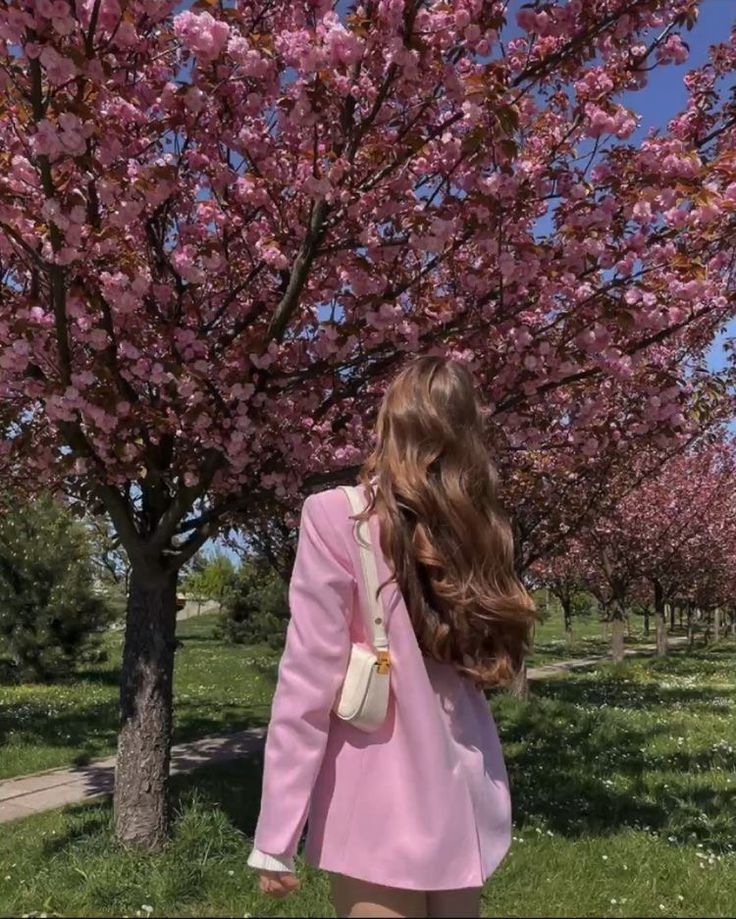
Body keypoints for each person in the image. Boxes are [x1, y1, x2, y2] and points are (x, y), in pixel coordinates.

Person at [247, 356, 536, 918]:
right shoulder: (480, 530)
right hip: (463, 785)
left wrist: (276, 833)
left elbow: (308, 680)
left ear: (388, 424)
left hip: (375, 792)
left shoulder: (339, 517)